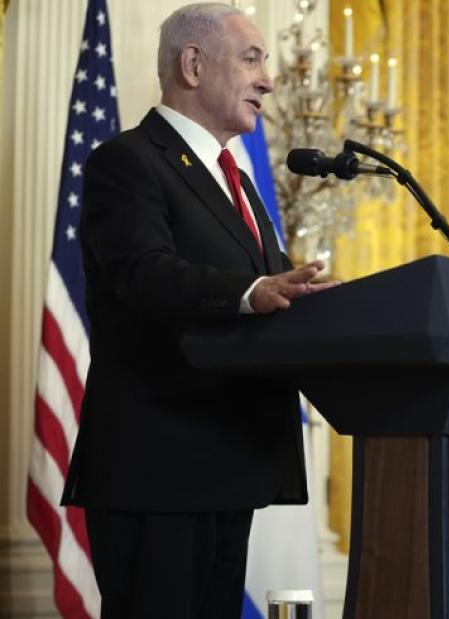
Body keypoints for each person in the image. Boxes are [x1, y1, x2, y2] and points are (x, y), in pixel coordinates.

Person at [60, 4, 336, 617]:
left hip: (228, 463)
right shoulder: (127, 161)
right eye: (252, 59)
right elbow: (142, 273)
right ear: (193, 64)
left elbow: (276, 286)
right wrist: (250, 293)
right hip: (158, 467)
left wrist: (320, 301)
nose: (268, 80)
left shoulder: (237, 183)